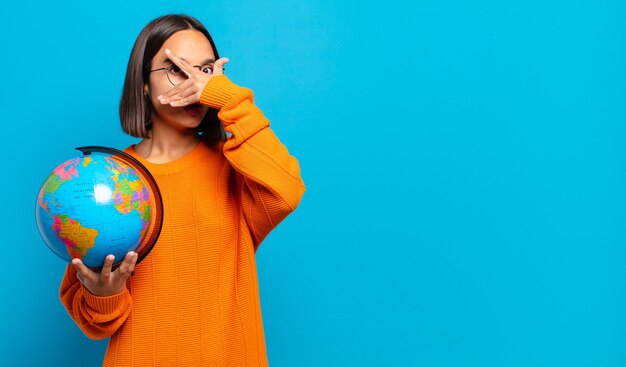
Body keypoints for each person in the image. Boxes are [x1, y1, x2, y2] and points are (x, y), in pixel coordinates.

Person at [59, 14, 305, 367]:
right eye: (176, 68)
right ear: (143, 83)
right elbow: (95, 323)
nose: (193, 83)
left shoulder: (237, 168)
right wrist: (104, 295)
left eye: (205, 71)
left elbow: (287, 190)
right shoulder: (108, 181)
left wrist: (228, 98)